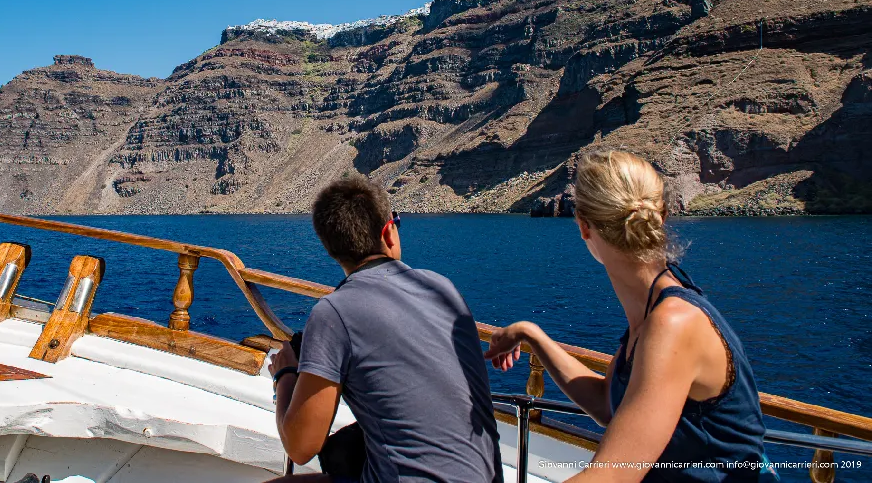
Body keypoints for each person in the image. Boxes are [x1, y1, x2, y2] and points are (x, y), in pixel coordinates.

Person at [486, 150, 778, 482]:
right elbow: (607, 406)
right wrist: (531, 334)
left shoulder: (673, 324)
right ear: (663, 215)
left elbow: (611, 475)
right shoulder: (657, 307)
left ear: (583, 226)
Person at [266, 175, 504, 483]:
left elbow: (300, 448)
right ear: (389, 232)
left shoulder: (333, 313)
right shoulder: (443, 288)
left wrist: (284, 376)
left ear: (332, 250)